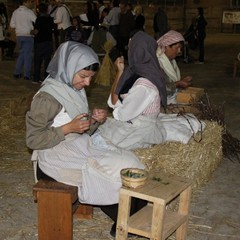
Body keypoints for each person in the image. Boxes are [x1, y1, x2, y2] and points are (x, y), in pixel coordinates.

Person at [25, 41, 145, 236]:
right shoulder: (47, 98)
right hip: (54, 157)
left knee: (129, 160)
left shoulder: (73, 88)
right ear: (68, 67)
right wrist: (67, 128)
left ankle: (135, 213)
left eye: (90, 78)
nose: (87, 83)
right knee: (114, 169)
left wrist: (93, 120)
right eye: (83, 76)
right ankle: (124, 220)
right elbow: (32, 139)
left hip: (75, 147)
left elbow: (81, 129)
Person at [92, 30, 205, 150]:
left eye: (131, 48)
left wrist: (119, 105)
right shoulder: (134, 72)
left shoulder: (145, 85)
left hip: (141, 130)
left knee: (101, 141)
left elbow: (120, 114)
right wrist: (119, 72)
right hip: (133, 121)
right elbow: (113, 102)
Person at [156, 30, 192, 105]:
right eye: (177, 47)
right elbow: (158, 89)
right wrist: (177, 84)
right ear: (167, 47)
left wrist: (181, 81)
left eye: (180, 48)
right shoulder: (157, 63)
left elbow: (169, 81)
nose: (179, 51)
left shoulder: (171, 61)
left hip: (171, 99)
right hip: (161, 104)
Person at [10, 0, 36, 80]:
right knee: (28, 56)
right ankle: (26, 75)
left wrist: (19, 25)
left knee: (22, 54)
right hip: (28, 35)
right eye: (30, 1)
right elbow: (36, 21)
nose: (31, 3)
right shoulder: (29, 12)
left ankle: (17, 72)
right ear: (25, 2)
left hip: (19, 35)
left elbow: (12, 25)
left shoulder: (15, 12)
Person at [32, 3, 54, 84]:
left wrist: (32, 32)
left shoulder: (39, 19)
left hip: (40, 42)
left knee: (38, 61)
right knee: (47, 61)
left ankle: (36, 78)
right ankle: (46, 78)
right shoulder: (50, 18)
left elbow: (36, 31)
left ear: (39, 10)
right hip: (48, 41)